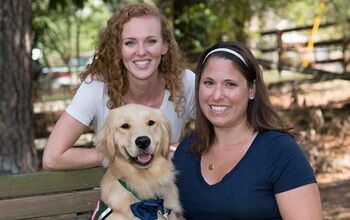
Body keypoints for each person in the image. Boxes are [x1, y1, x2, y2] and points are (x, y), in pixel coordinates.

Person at [173, 41, 323, 219]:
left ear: (251, 90)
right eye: (209, 83)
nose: (217, 95)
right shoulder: (186, 152)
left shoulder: (279, 151)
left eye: (230, 84)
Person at [42, 1, 195, 170]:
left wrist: (180, 149)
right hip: (115, 191)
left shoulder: (185, 83)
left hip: (167, 187)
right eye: (130, 43)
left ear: (164, 46)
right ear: (118, 48)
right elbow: (52, 158)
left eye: (151, 41)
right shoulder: (98, 86)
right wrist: (117, 150)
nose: (141, 51)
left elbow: (224, 129)